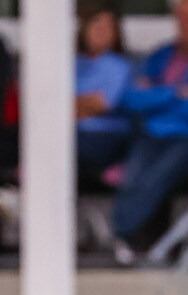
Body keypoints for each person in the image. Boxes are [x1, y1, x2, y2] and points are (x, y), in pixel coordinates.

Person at [113, 0, 188, 264]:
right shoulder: (160, 56)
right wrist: (176, 92)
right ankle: (128, 240)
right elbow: (132, 99)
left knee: (157, 174)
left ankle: (129, 236)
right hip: (153, 135)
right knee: (132, 173)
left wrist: (155, 94)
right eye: (184, 18)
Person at [75, 2, 133, 187]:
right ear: (84, 29)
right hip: (75, 132)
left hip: (105, 135)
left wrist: (71, 107)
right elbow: (52, 103)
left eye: (108, 26)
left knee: (62, 146)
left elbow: (100, 104)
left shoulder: (119, 65)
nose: (101, 31)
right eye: (96, 24)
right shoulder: (72, 63)